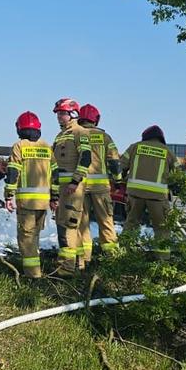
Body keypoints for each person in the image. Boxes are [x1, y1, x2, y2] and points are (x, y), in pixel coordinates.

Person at [4, 111, 53, 277]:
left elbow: (12, 172)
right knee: (35, 237)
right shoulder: (47, 147)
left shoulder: (20, 146)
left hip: (27, 203)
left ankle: (32, 275)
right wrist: (55, 197)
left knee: (26, 238)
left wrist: (8, 195)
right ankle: (36, 268)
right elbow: (55, 174)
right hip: (44, 202)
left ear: (19, 129)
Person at [49, 98, 93, 276]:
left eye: (62, 113)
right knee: (74, 226)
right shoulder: (60, 135)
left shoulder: (79, 132)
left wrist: (75, 181)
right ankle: (80, 265)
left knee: (68, 226)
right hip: (62, 188)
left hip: (72, 189)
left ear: (73, 114)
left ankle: (66, 269)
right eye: (58, 114)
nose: (59, 117)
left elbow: (86, 158)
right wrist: (53, 193)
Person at [120, 125, 178, 258]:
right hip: (158, 197)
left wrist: (122, 181)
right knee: (162, 228)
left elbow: (120, 166)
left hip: (135, 195)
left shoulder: (135, 147)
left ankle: (123, 256)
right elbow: (179, 174)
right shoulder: (167, 151)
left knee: (131, 224)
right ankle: (163, 260)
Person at [77, 104, 121, 257]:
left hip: (79, 187)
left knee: (82, 224)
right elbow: (114, 161)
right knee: (106, 222)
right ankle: (112, 258)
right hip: (101, 188)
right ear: (96, 119)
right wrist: (118, 179)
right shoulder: (105, 137)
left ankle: (84, 259)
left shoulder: (75, 135)